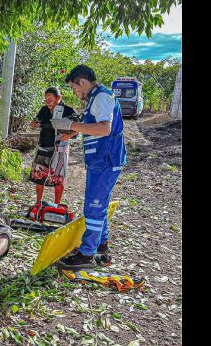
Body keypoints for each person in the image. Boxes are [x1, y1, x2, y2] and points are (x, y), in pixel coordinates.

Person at [50, 65, 127, 269]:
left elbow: (104, 128)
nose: (75, 93)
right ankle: (101, 247)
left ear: (82, 82)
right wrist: (71, 131)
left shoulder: (101, 97)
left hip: (106, 160)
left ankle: (86, 255)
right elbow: (91, 124)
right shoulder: (96, 97)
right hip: (100, 160)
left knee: (93, 207)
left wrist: (71, 125)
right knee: (98, 205)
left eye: (75, 88)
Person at [29, 86, 77, 207]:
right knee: (39, 177)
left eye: (50, 100)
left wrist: (68, 136)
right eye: (46, 100)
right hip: (43, 147)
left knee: (59, 179)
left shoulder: (68, 110)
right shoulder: (44, 110)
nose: (48, 102)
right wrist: (34, 124)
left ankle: (57, 206)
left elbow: (79, 127)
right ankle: (38, 204)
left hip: (60, 148)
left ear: (58, 98)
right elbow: (34, 123)